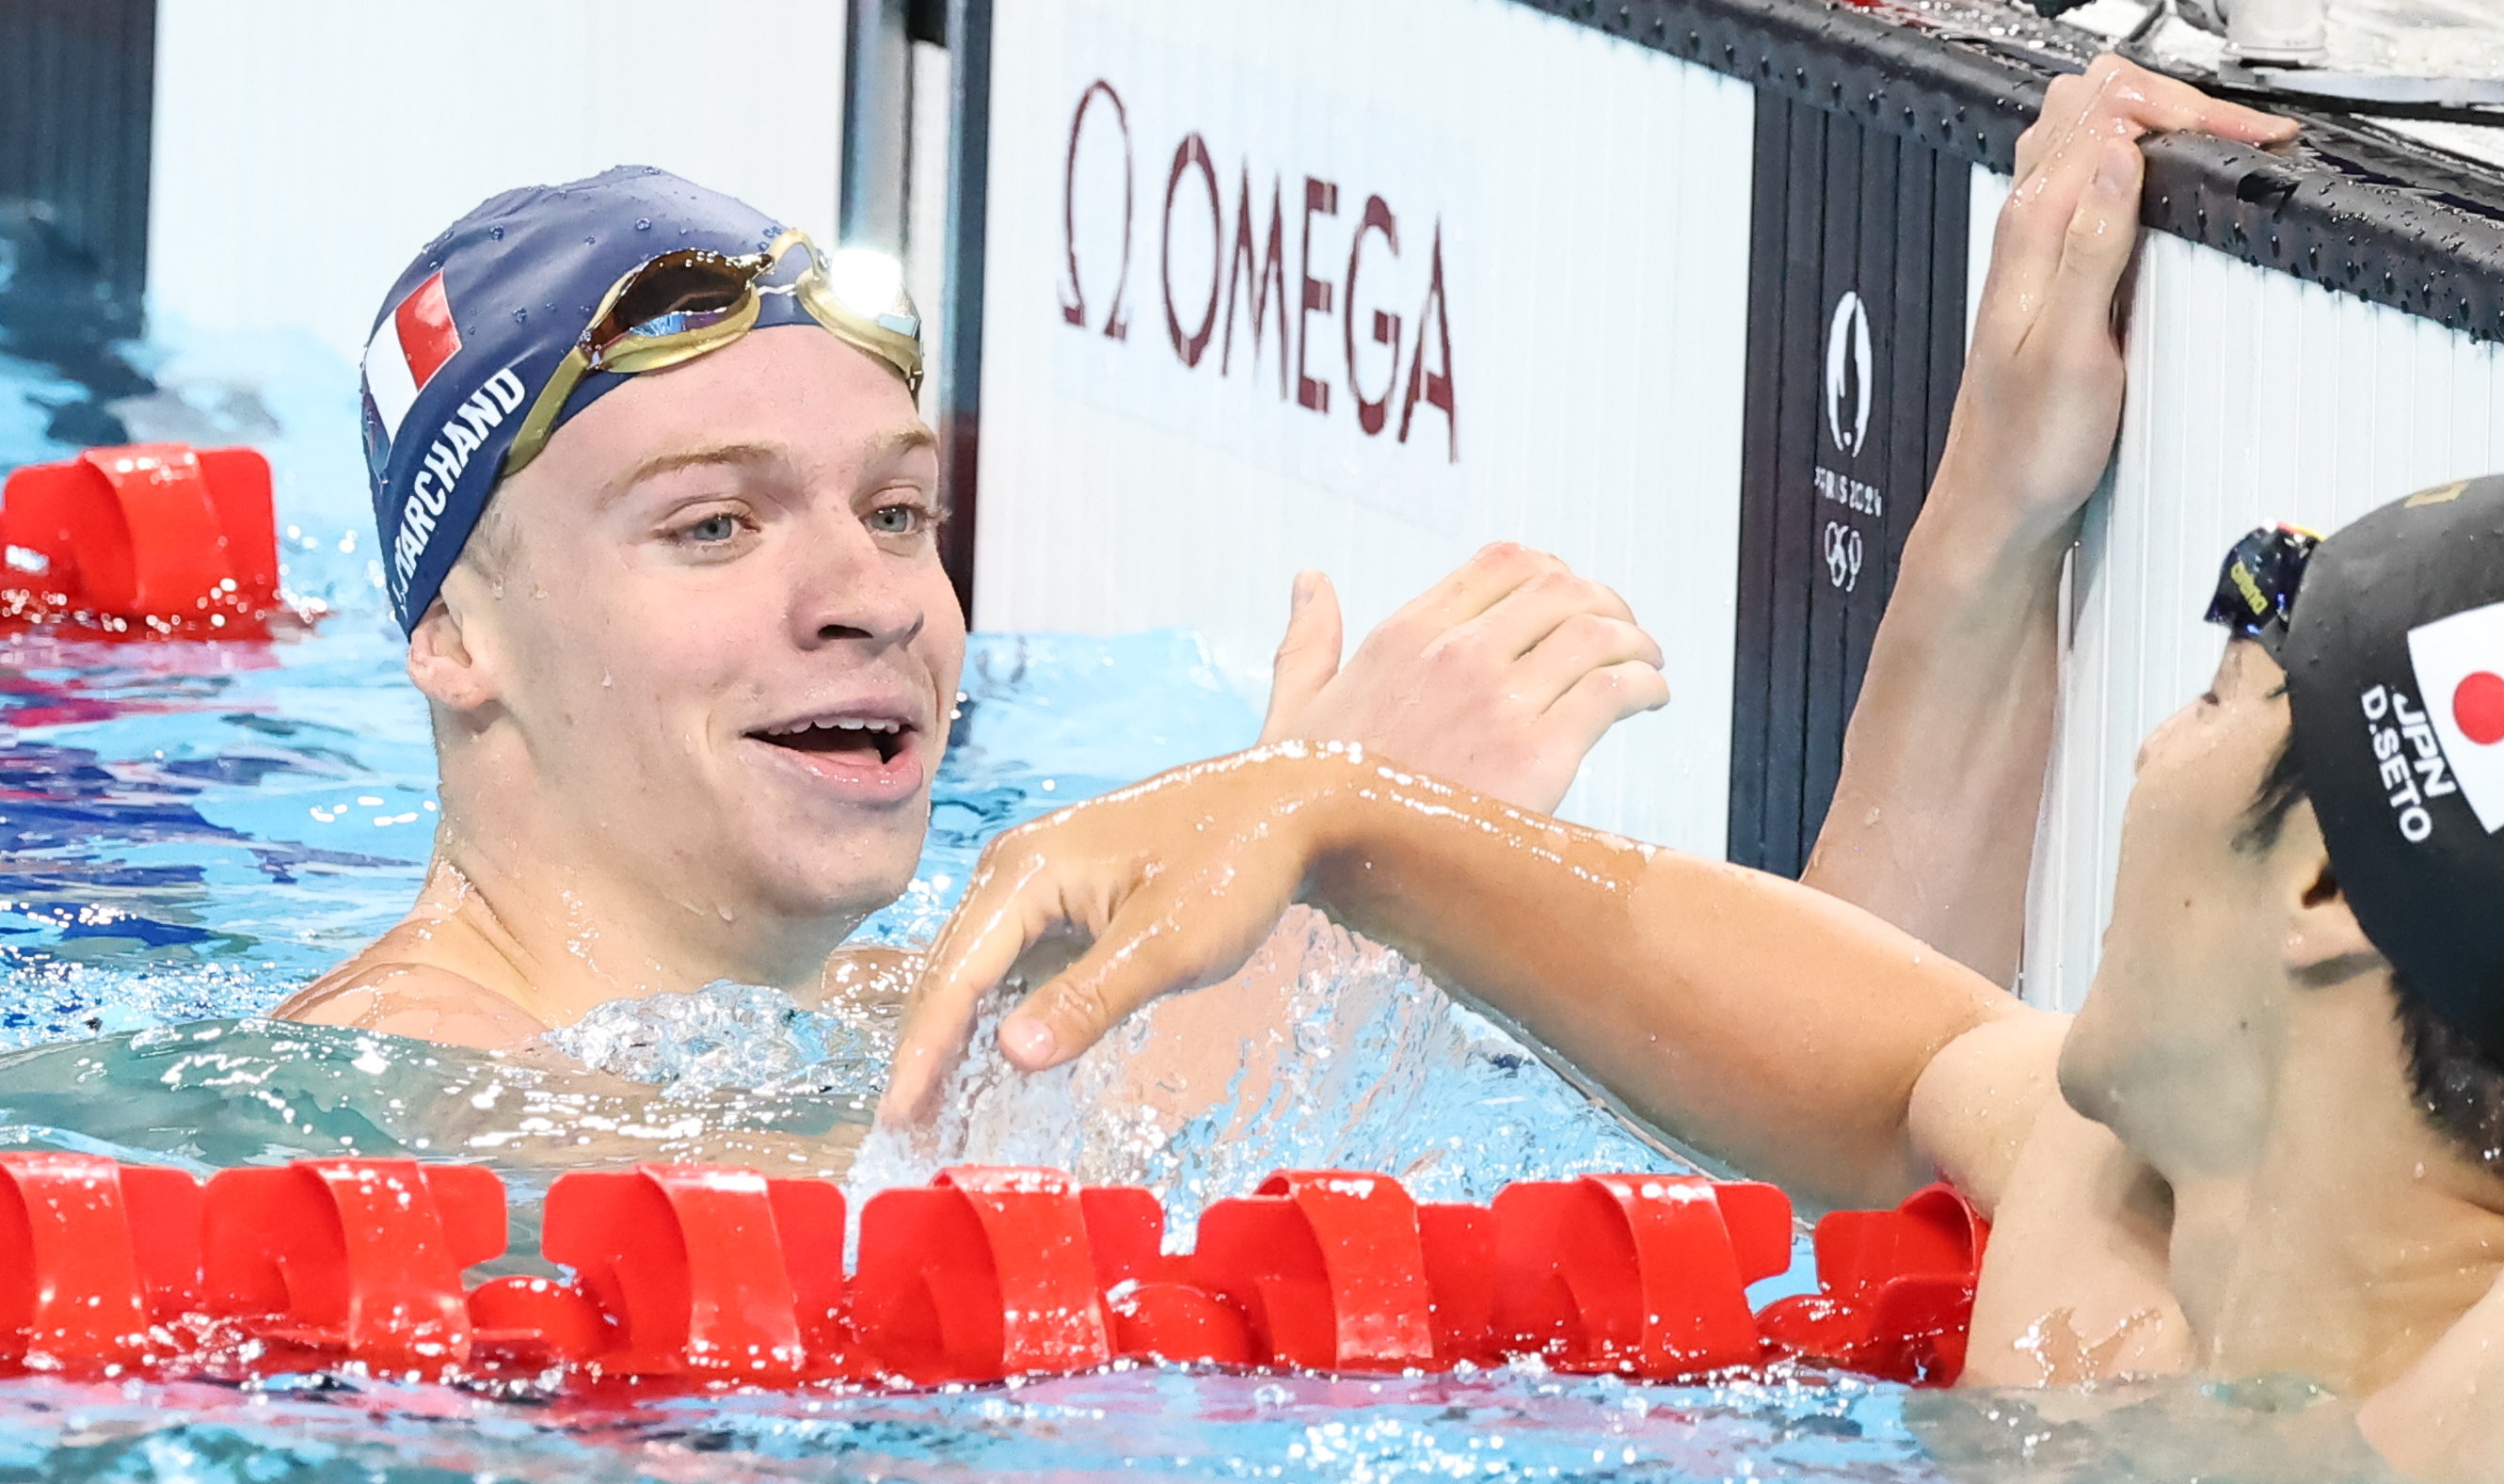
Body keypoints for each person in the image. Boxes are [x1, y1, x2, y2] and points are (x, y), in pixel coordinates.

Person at [875, 58, 2504, 1484]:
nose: (2156, 755)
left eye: (2209, 696)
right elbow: (1896, 1049)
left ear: (2331, 879)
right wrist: (1346, 817)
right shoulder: (2106, 1219)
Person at [277, 168, 1670, 1045]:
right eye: (714, 525)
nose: (873, 600)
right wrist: (1341, 861)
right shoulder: (400, 1077)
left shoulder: (897, 1013)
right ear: (458, 638)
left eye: (896, 513)